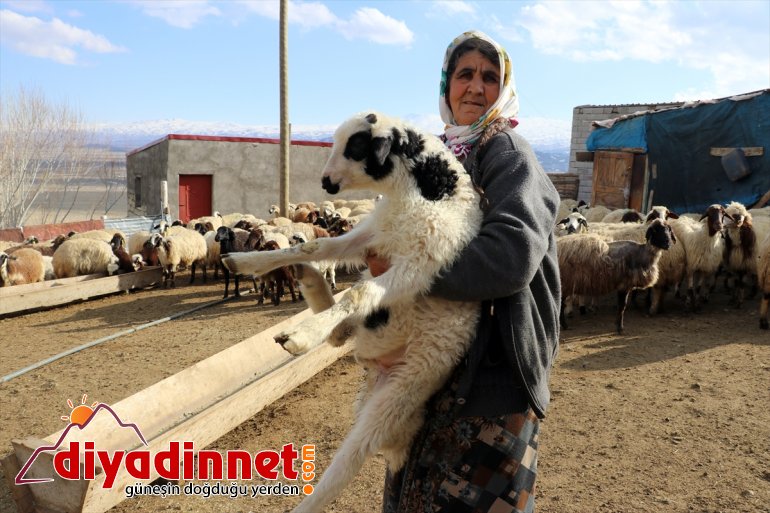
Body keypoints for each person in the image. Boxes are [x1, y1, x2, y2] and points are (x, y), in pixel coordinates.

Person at [373, 30, 561, 512]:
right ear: (446, 84)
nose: (476, 87)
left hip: (491, 384)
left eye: (490, 77)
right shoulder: (436, 158)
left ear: (504, 88)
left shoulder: (508, 154)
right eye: (465, 75)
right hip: (432, 369)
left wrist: (407, 270)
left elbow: (510, 256)